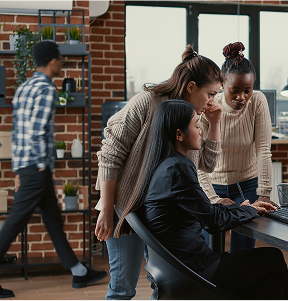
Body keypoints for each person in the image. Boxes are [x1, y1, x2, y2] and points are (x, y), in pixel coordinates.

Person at [94, 45, 228, 301]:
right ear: (191, 87)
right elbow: (110, 154)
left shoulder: (193, 118)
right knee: (122, 287)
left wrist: (216, 123)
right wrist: (108, 209)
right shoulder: (147, 102)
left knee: (165, 283)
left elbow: (207, 166)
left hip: (162, 215)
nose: (213, 101)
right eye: (210, 94)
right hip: (127, 209)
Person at [135, 100, 288, 300]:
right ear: (179, 134)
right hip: (194, 272)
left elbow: (205, 210)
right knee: (274, 257)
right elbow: (213, 222)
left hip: (181, 269)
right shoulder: (177, 169)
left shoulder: (165, 165)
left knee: (270, 285)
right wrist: (251, 210)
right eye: (195, 124)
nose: (200, 129)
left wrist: (243, 207)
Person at [0, 41, 107, 298]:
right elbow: (36, 133)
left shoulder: (25, 87)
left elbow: (18, 133)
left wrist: (19, 171)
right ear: (51, 62)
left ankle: (79, 273)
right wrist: (38, 169)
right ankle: (79, 272)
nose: (60, 63)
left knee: (53, 221)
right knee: (14, 223)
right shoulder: (46, 89)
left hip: (29, 167)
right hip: (37, 169)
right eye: (59, 60)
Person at [199, 42, 275, 252]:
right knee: (209, 249)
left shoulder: (257, 102)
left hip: (247, 185)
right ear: (222, 85)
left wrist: (264, 193)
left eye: (247, 90)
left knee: (243, 252)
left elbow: (263, 149)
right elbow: (198, 163)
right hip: (212, 185)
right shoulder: (209, 107)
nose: (242, 97)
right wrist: (212, 199)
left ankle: (238, 286)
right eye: (235, 91)